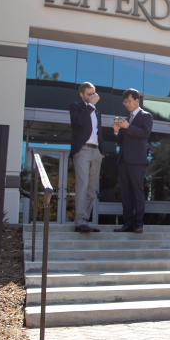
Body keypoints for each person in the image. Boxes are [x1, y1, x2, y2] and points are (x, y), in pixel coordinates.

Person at [113, 88, 153, 234]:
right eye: (125, 102)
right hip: (123, 160)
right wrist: (117, 130)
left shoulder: (146, 116)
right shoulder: (126, 119)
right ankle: (127, 224)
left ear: (137, 100)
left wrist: (128, 127)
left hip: (137, 161)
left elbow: (145, 133)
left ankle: (138, 224)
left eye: (129, 101)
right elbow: (120, 140)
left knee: (138, 192)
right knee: (125, 192)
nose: (127, 104)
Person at [68, 82, 104, 233]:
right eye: (89, 94)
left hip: (96, 151)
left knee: (91, 188)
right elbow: (79, 121)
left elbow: (98, 132)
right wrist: (90, 106)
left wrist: (101, 151)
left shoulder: (96, 111)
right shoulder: (76, 106)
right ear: (81, 94)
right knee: (82, 185)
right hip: (82, 150)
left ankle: (85, 222)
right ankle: (80, 222)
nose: (92, 96)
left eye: (94, 93)